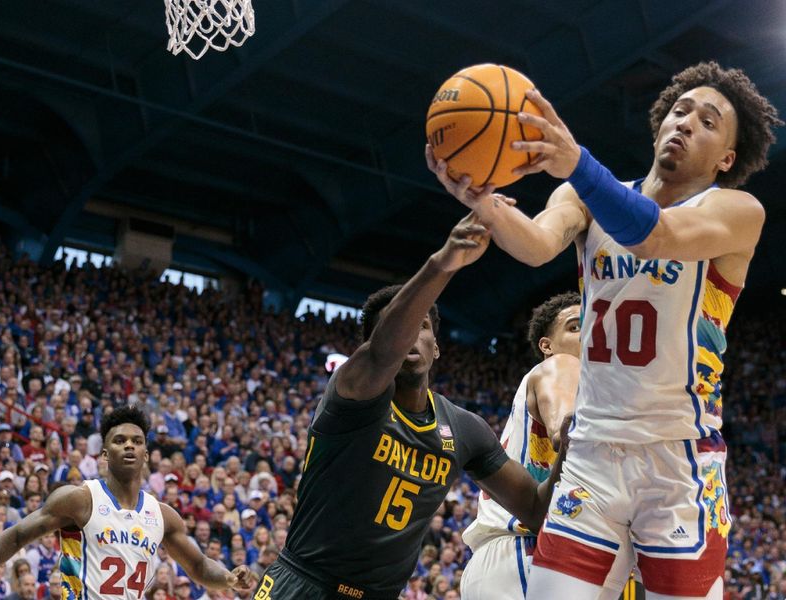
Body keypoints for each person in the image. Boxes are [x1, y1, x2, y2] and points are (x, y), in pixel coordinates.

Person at [429, 62, 782, 599]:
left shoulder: (736, 210)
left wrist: (576, 163)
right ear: (660, 123)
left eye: (708, 122)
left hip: (678, 457)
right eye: (680, 111)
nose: (686, 123)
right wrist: (486, 204)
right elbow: (537, 244)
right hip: (591, 451)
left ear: (727, 158)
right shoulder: (587, 198)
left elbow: (655, 234)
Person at [253, 214, 571, 599]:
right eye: (399, 326)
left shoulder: (465, 428)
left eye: (423, 327)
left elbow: (536, 511)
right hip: (305, 584)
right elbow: (384, 351)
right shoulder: (352, 392)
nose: (410, 336)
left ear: (436, 347)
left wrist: (568, 451)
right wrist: (444, 262)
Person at [0, 405, 254, 599]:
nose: (129, 446)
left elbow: (198, 565)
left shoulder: (163, 515)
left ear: (146, 454)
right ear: (105, 453)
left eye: (137, 441)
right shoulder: (80, 499)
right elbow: (17, 536)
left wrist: (228, 578)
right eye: (120, 440)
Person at [460, 292, 599, 599]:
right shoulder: (562, 364)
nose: (589, 334)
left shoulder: (588, 387)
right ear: (547, 346)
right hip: (528, 551)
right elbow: (567, 427)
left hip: (519, 557)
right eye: (576, 327)